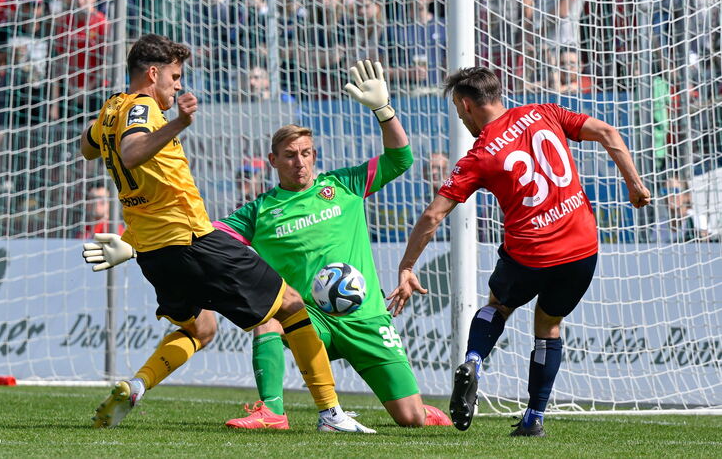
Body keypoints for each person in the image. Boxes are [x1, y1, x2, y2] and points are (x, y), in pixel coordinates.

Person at [80, 34, 372, 433]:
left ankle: (136, 385)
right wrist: (179, 123)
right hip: (191, 238)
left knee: (201, 327)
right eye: (174, 76)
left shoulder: (111, 108)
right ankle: (330, 414)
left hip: (153, 251)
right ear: (152, 73)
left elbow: (89, 148)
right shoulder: (142, 108)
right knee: (290, 304)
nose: (178, 85)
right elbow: (131, 152)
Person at [386, 67, 651, 437]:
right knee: (549, 326)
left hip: (530, 253)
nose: (462, 120)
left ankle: (475, 360)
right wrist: (634, 185)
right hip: (581, 248)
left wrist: (407, 265)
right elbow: (607, 132)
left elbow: (433, 214)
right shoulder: (545, 112)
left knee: (497, 306)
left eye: (460, 113)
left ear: (466, 104)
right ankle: (533, 418)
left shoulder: (479, 155)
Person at [215, 61, 451, 430]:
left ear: (314, 155)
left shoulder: (344, 185)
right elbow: (206, 236)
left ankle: (424, 411)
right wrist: (137, 244)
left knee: (411, 420)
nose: (299, 162)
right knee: (270, 318)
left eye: (306, 153)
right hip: (313, 318)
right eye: (290, 155)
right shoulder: (259, 211)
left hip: (367, 318)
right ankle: (272, 412)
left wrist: (383, 110)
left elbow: (401, 158)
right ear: (273, 161)